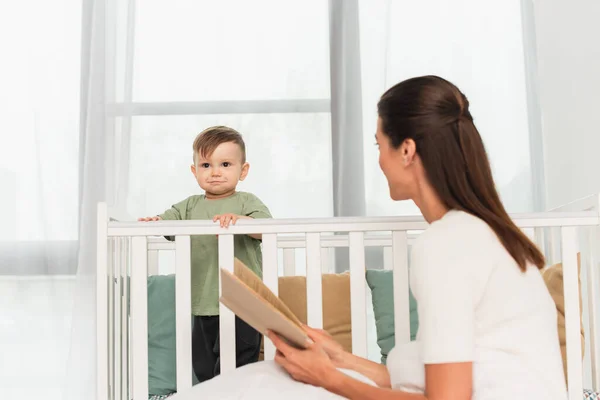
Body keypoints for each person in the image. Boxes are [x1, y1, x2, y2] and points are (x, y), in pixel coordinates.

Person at [174, 76, 567, 400]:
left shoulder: (448, 244)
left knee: (258, 385)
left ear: (407, 151)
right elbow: (448, 378)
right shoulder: (481, 234)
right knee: (264, 379)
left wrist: (330, 379)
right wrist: (340, 359)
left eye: (380, 145)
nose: (379, 159)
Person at [139, 126, 272, 383]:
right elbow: (168, 221)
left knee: (237, 367)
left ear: (242, 170)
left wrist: (241, 222)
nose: (215, 172)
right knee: (203, 365)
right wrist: (155, 221)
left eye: (225, 164)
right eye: (206, 165)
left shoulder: (247, 202)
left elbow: (265, 230)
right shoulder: (189, 206)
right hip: (202, 304)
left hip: (243, 303)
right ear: (194, 171)